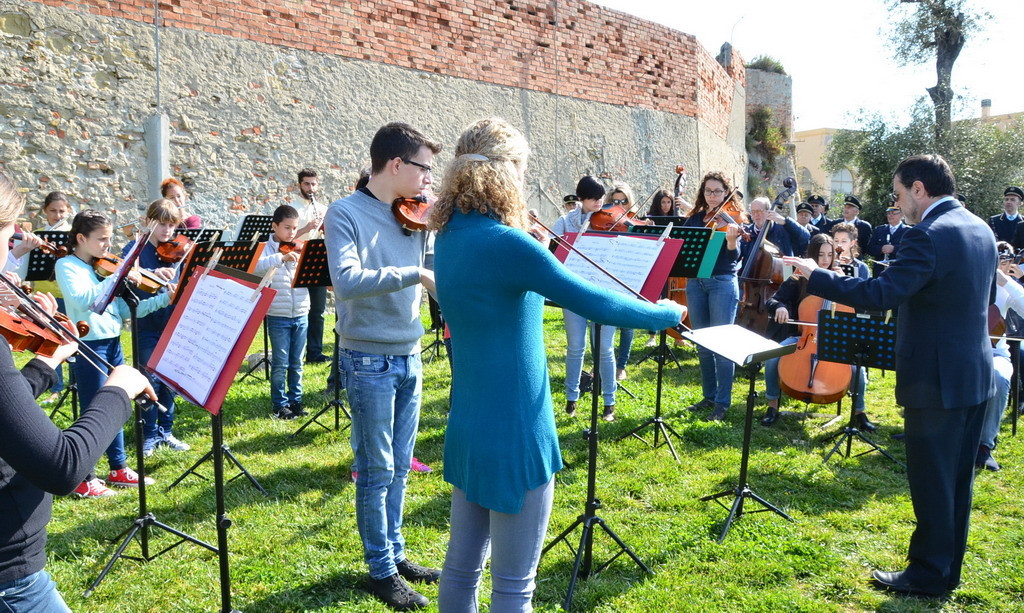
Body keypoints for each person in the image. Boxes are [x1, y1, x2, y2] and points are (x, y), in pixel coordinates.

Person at [429, 117, 683, 613]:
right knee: (514, 587)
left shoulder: (449, 237)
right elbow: (593, 301)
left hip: (469, 420)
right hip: (518, 426)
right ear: (507, 173)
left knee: (460, 569)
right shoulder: (510, 244)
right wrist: (663, 314)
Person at [785, 154, 996, 597]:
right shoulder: (980, 228)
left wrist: (818, 276)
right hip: (974, 373)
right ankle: (946, 569)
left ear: (919, 188)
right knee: (957, 480)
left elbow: (881, 294)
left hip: (935, 379)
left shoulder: (927, 234)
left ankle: (928, 573)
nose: (898, 203)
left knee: (932, 479)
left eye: (899, 194)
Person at [0, 170, 157, 613]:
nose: (10, 257)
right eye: (9, 240)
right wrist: (118, 390)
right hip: (10, 578)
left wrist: (44, 365)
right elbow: (62, 466)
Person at [324, 121, 441, 611]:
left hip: (410, 351)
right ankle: (381, 571)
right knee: (376, 469)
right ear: (396, 165)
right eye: (424, 170)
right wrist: (416, 273)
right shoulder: (344, 212)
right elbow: (347, 281)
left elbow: (438, 262)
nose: (429, 180)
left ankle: (396, 553)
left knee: (401, 467)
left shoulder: (414, 213)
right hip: (367, 356)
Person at [56, 210, 173, 497]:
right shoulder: (67, 266)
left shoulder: (100, 270)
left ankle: (118, 468)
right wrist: (119, 275)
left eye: (109, 239)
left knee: (116, 405)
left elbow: (126, 311)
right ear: (81, 238)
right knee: (94, 411)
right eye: (102, 239)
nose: (108, 246)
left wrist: (164, 299)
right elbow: (84, 300)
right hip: (90, 346)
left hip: (113, 342)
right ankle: (85, 478)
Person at [759, 233, 871, 428]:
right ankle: (772, 405)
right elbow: (773, 300)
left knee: (858, 371)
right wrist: (780, 307)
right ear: (812, 255)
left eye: (829, 255)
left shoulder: (840, 279)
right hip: (802, 338)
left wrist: (843, 284)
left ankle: (859, 413)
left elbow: (860, 308)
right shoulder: (799, 277)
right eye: (820, 255)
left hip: (834, 342)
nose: (825, 260)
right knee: (772, 359)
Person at [121, 199, 191, 456]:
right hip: (147, 324)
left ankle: (166, 430)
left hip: (171, 323)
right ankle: (149, 434)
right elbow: (125, 277)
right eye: (162, 224)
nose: (167, 231)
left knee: (169, 379)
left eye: (172, 226)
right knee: (148, 380)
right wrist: (152, 272)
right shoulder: (134, 249)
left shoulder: (177, 251)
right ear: (148, 222)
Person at [552, 176, 620, 421]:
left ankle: (609, 402)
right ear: (581, 199)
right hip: (575, 290)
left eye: (601, 197)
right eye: (593, 199)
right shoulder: (565, 222)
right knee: (575, 346)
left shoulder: (611, 220)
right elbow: (552, 249)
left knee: (604, 348)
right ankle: (571, 398)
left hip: (604, 291)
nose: (599, 202)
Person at [682, 172, 741, 421]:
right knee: (703, 343)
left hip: (722, 284)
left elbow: (735, 257)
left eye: (717, 191)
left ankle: (722, 402)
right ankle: (709, 396)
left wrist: (731, 242)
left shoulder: (733, 219)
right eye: (708, 191)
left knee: (722, 345)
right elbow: (684, 247)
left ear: (726, 193)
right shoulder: (695, 219)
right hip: (696, 282)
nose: (712, 196)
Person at [255, 204, 311, 420]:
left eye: (295, 228)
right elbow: (255, 267)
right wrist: (280, 258)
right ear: (274, 226)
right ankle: (280, 404)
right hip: (278, 313)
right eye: (287, 228)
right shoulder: (265, 249)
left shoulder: (299, 247)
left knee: (297, 362)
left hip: (301, 311)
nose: (292, 233)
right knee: (280, 362)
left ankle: (296, 400)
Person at [977, 242, 1024, 472]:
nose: (998, 265)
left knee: (999, 376)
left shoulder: (1009, 288)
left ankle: (985, 444)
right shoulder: (972, 279)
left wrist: (1006, 282)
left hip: (996, 351)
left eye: (1004, 261)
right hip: (965, 349)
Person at [35, 191, 74, 402]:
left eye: (61, 211)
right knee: (50, 340)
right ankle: (55, 387)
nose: (58, 215)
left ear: (68, 211)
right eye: (53, 211)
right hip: (44, 293)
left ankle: (76, 383)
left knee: (73, 339)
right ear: (45, 211)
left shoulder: (74, 235)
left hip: (67, 294)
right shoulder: (37, 234)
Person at [290, 168, 331, 364]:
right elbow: (285, 238)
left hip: (317, 262)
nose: (310, 188)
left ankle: (315, 353)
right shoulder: (291, 209)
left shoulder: (323, 209)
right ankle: (296, 353)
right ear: (300, 185)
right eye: (306, 184)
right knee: (298, 311)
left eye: (313, 184)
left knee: (317, 311)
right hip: (296, 262)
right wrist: (307, 228)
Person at [605, 182, 640, 382]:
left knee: (627, 323)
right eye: (614, 201)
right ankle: (602, 362)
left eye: (623, 201)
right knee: (603, 320)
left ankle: (621, 365)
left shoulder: (636, 221)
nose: (619, 205)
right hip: (608, 272)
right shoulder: (604, 221)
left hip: (629, 274)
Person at [739, 196, 811, 261]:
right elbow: (736, 258)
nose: (756, 215)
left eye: (759, 211)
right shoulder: (747, 232)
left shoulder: (783, 228)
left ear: (769, 211)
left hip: (781, 271)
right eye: (753, 212)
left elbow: (805, 237)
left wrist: (785, 221)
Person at [866, 205, 908, 277]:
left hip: (899, 271)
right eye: (888, 213)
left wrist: (894, 249)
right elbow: (869, 249)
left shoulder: (908, 231)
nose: (890, 216)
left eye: (893, 213)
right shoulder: (879, 230)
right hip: (880, 272)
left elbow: (910, 250)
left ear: (902, 214)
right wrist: (881, 249)